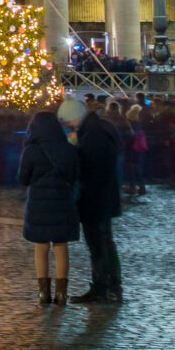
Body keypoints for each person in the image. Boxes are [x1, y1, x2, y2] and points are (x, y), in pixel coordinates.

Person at [18, 110, 82, 305]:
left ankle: (43, 294)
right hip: (63, 202)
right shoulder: (68, 148)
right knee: (61, 247)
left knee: (41, 246)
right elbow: (74, 176)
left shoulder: (31, 150)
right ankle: (61, 294)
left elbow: (23, 179)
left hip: (39, 204)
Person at [66, 97, 125, 304]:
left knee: (99, 244)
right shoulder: (96, 129)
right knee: (103, 243)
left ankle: (104, 288)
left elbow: (93, 168)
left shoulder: (93, 134)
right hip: (102, 196)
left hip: (96, 197)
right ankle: (109, 286)